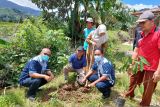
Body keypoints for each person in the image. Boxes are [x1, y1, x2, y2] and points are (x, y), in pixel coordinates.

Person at [124, 11, 160, 106]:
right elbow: (136, 50)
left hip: (152, 67)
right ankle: (129, 95)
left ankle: (144, 104)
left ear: (152, 22)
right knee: (133, 80)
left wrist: (158, 71)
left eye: (143, 22)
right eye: (140, 22)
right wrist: (132, 64)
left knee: (148, 88)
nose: (140, 25)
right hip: (138, 64)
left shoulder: (158, 33)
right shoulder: (140, 33)